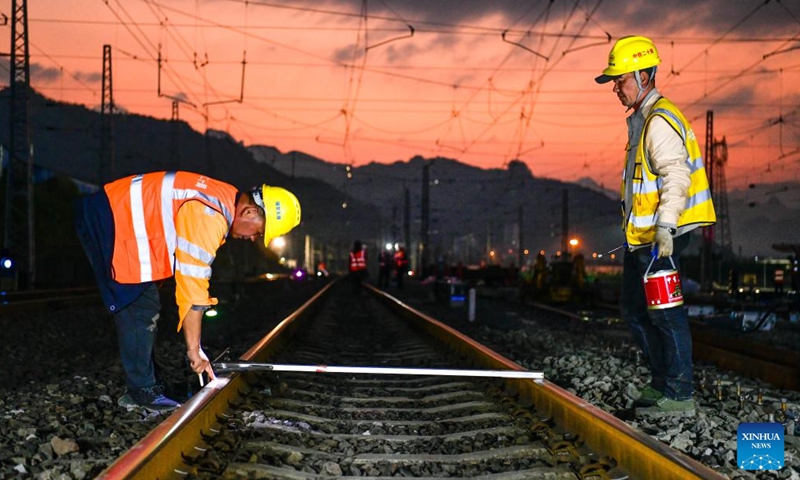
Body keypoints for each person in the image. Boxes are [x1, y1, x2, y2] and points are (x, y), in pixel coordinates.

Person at [75, 171, 301, 411]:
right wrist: (195, 350)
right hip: (111, 220)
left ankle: (150, 385)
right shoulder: (211, 215)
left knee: (144, 303)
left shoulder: (222, 197)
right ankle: (141, 393)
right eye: (259, 232)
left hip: (114, 215)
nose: (254, 238)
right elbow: (193, 286)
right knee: (140, 306)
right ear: (250, 212)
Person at [595, 36, 716, 417]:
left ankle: (679, 394)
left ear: (645, 75)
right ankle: (663, 381)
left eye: (621, 79)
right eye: (614, 80)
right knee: (634, 310)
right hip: (644, 240)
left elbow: (676, 176)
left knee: (665, 314)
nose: (615, 87)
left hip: (662, 239)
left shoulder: (660, 121)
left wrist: (665, 229)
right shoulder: (643, 120)